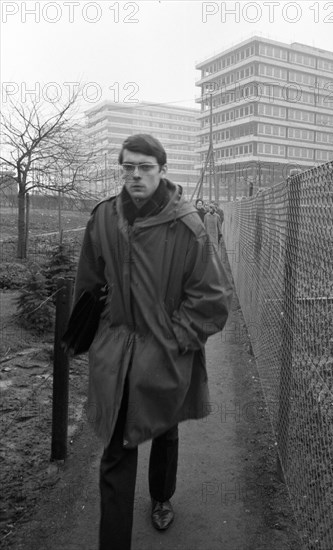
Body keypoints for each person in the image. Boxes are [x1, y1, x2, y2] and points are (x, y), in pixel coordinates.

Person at [72, 134, 232, 550]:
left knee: (164, 429)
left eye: (145, 167)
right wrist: (98, 330)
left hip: (166, 350)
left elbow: (212, 298)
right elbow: (88, 284)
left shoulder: (187, 225)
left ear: (162, 170)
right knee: (115, 447)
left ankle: (162, 497)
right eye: (129, 167)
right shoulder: (105, 217)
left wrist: (176, 339)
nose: (136, 175)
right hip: (116, 351)